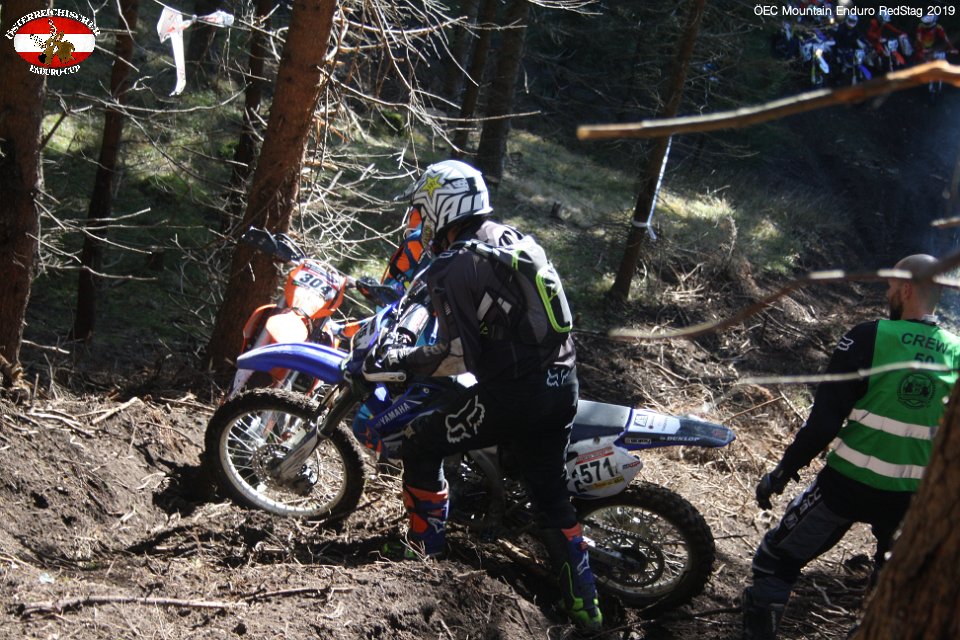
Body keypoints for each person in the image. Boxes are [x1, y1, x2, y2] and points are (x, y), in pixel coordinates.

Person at [364, 159, 602, 631]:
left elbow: (458, 355)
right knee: (551, 497)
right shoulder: (511, 239)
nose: (420, 221)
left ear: (442, 207)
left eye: (424, 209)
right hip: (563, 384)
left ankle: (423, 550)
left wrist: (403, 361)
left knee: (421, 441)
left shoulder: (456, 263)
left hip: (515, 394)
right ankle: (587, 608)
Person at [741, 253, 960, 640]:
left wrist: (782, 473)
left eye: (890, 287)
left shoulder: (867, 337)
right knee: (890, 583)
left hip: (845, 487)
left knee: (775, 560)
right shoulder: (956, 352)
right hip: (912, 498)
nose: (888, 295)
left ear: (905, 289)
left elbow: (823, 424)